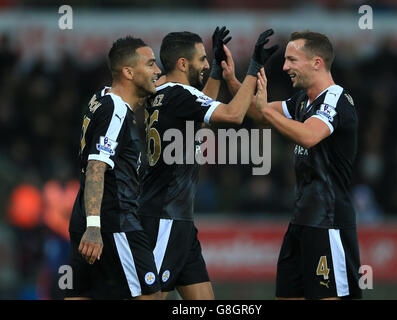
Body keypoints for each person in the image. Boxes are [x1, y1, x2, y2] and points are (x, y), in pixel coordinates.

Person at [138, 27, 276, 300]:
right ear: (182, 63)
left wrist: (214, 70)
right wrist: (254, 67)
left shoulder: (163, 94)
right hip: (163, 219)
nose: (204, 63)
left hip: (179, 221)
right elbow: (234, 115)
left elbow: (201, 111)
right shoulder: (180, 95)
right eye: (201, 59)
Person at [253, 31, 362, 300]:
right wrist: (239, 76)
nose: (285, 67)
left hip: (328, 221)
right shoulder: (303, 101)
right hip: (301, 219)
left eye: (291, 59)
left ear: (317, 62)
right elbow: (257, 111)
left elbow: (309, 136)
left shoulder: (335, 99)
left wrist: (265, 111)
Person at [65, 36, 162, 300]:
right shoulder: (115, 110)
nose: (158, 71)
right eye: (151, 64)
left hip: (85, 216)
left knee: (82, 295)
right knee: (152, 296)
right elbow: (97, 166)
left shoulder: (102, 98)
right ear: (128, 72)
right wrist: (95, 227)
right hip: (113, 223)